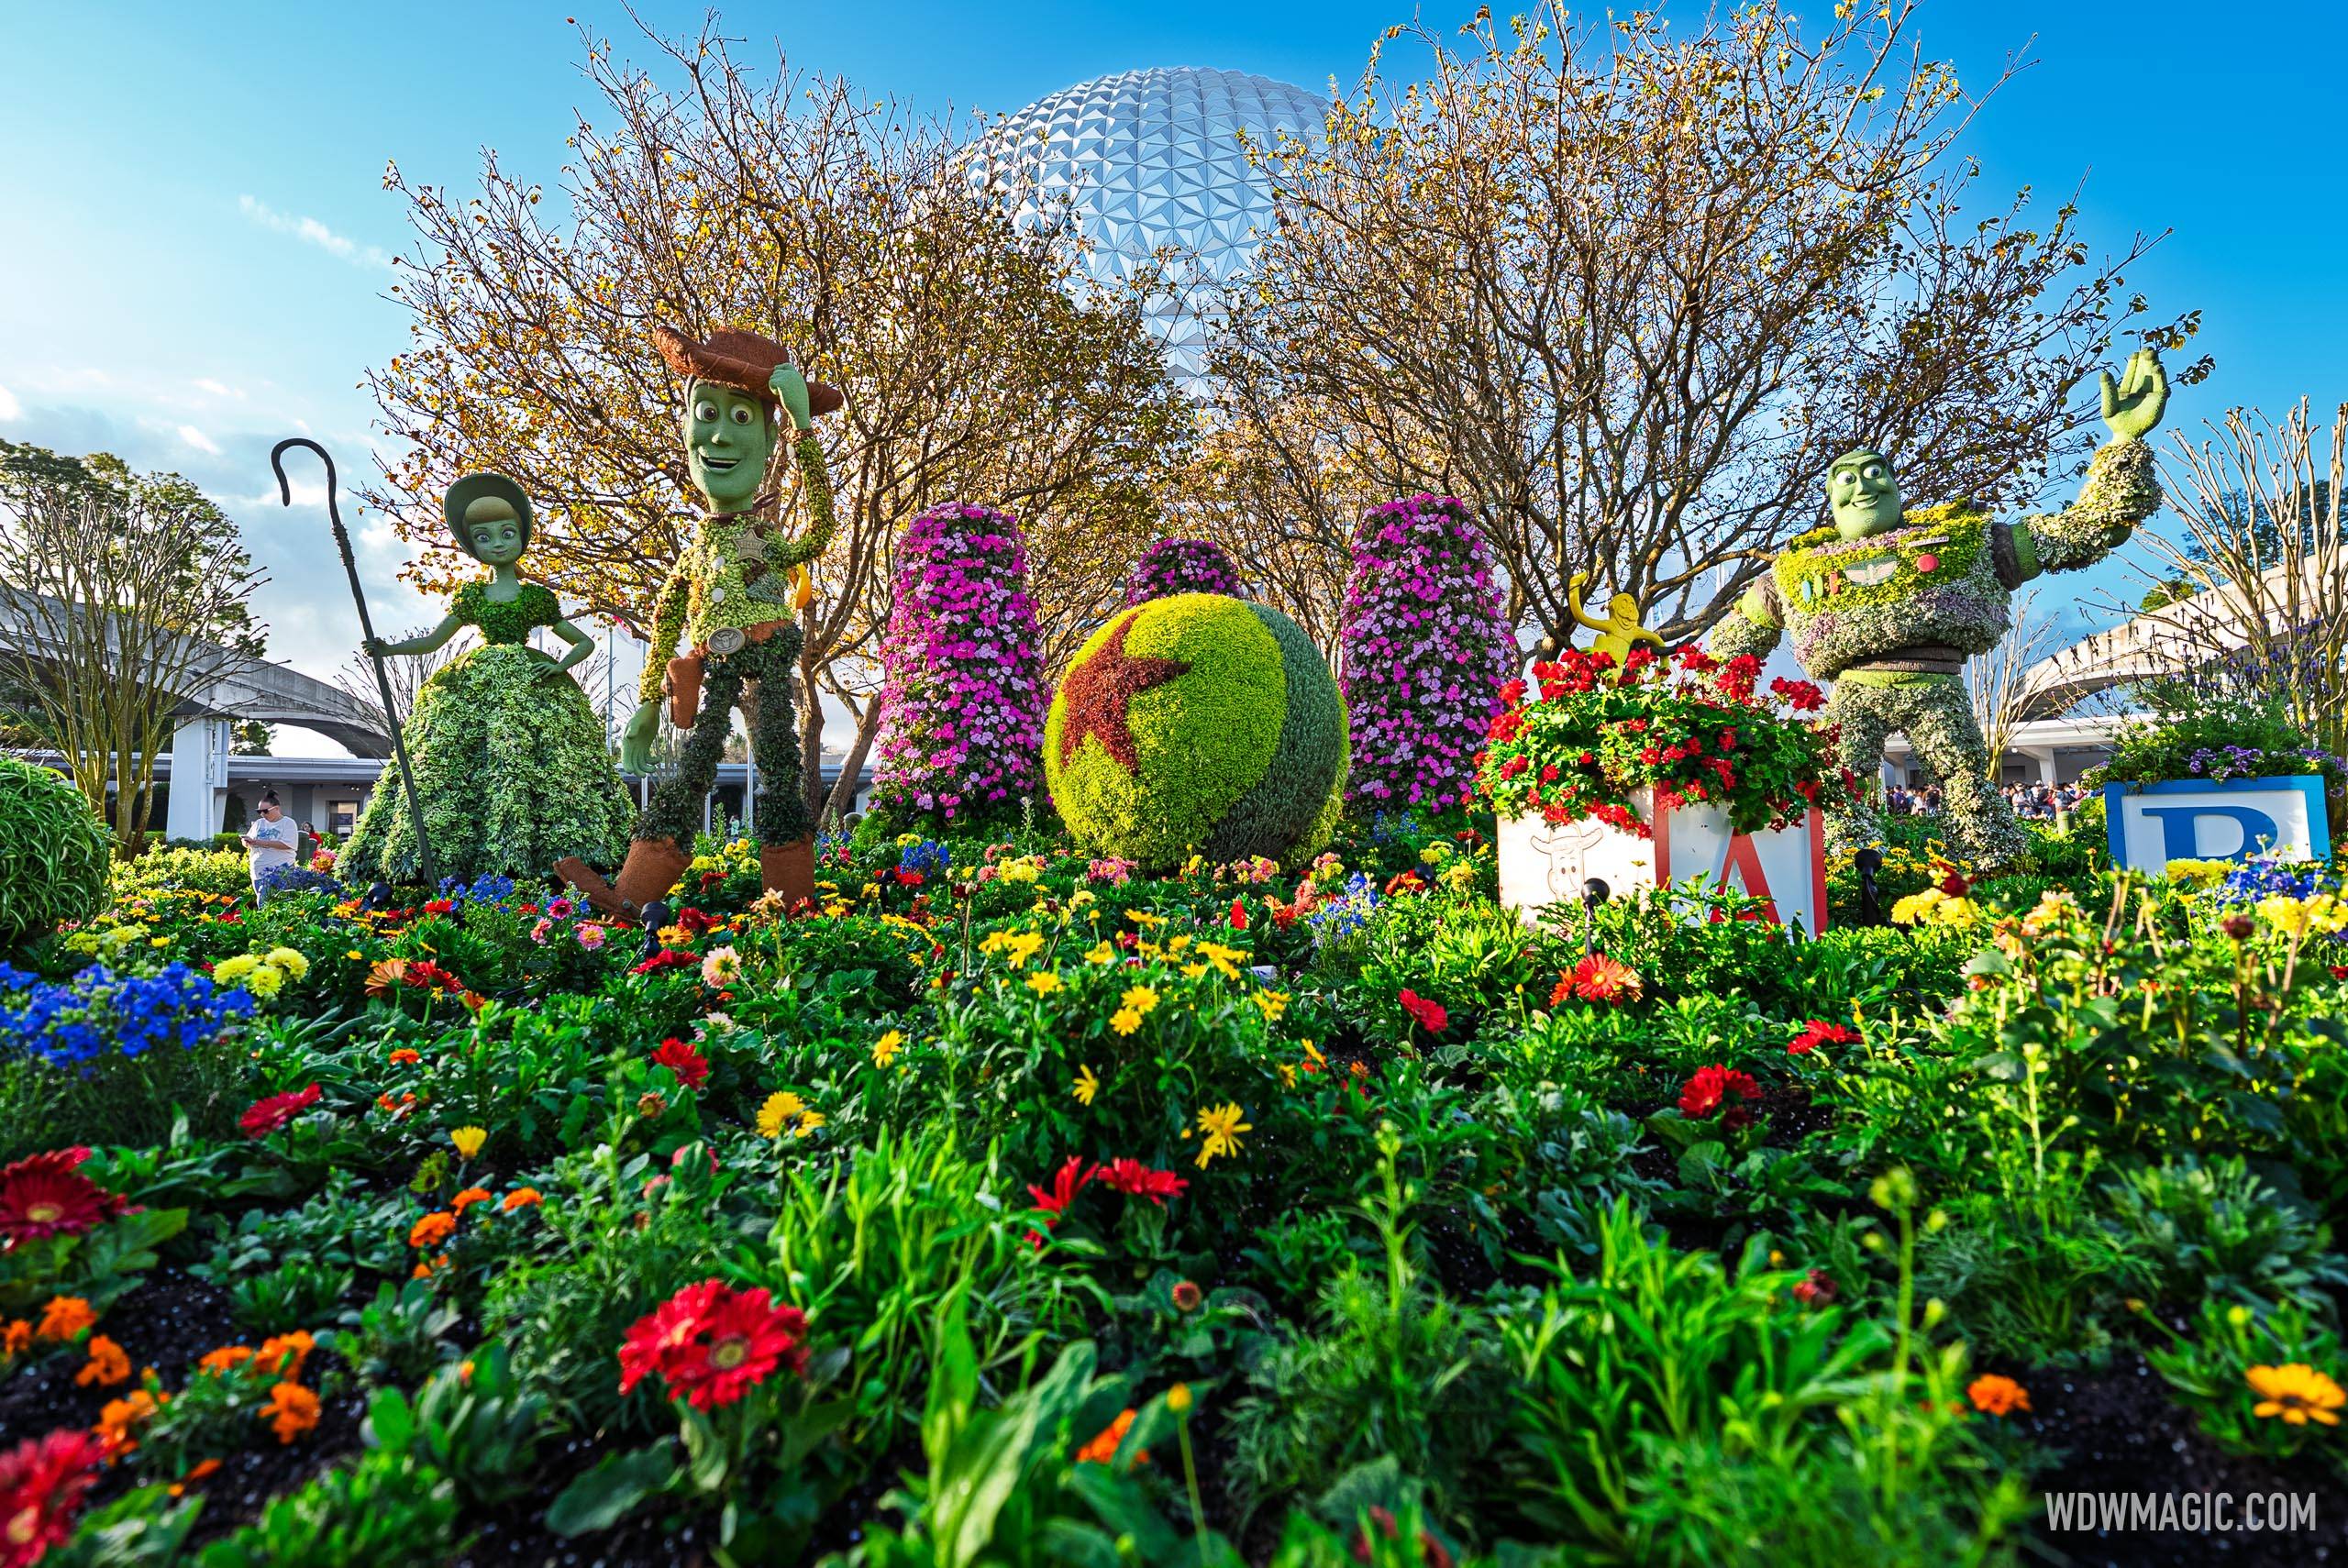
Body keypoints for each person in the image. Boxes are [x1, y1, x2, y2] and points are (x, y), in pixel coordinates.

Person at [339, 473, 635, 886]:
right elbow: (432, 642)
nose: (497, 543)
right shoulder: (473, 597)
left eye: (506, 533)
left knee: (539, 759)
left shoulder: (536, 598)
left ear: (521, 537)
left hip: (534, 683)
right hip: (474, 680)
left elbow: (583, 643)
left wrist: (557, 666)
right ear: (473, 545)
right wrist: (387, 650)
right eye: (484, 537)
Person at [240, 790, 299, 903]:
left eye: (265, 811)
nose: (262, 814)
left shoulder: (288, 823)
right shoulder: (259, 823)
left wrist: (259, 842)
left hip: (279, 870)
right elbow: (248, 840)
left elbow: (287, 844)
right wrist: (246, 842)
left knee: (265, 903)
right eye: (259, 811)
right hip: (258, 871)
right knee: (264, 902)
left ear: (277, 808)